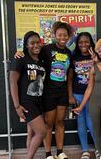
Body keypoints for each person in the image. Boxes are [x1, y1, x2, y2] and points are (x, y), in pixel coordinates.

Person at [14, 21, 74, 159]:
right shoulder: (46, 49)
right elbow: (30, 55)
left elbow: (69, 76)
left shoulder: (69, 53)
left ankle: (60, 152)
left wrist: (70, 94)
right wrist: (19, 52)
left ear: (69, 36)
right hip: (47, 93)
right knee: (48, 124)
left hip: (62, 92)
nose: (62, 37)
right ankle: (48, 154)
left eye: (65, 35)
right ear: (54, 35)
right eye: (59, 35)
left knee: (60, 122)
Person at [10, 31, 47, 159]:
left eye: (38, 42)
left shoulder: (41, 61)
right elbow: (13, 81)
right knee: (41, 131)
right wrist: (17, 106)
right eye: (32, 43)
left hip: (39, 101)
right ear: (26, 45)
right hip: (26, 102)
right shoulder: (20, 58)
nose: (36, 45)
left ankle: (28, 155)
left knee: (31, 133)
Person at [67, 32, 97, 159]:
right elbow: (69, 79)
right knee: (81, 123)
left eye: (86, 42)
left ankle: (98, 148)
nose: (83, 44)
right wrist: (70, 96)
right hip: (77, 94)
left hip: (93, 94)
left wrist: (95, 60)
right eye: (80, 42)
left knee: (92, 122)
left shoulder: (97, 56)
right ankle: (85, 150)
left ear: (90, 42)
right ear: (77, 44)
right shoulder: (73, 58)